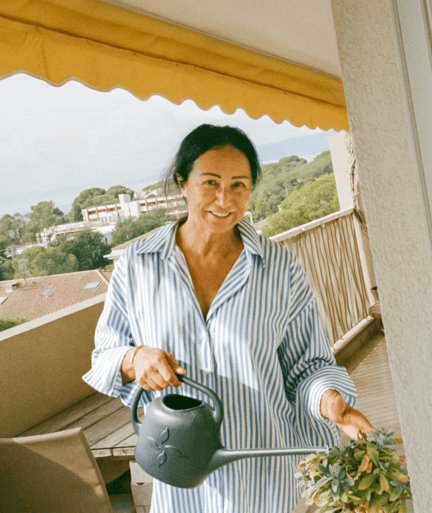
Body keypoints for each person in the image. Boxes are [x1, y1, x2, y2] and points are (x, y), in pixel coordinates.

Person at [83, 124, 373, 513]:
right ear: (182, 183)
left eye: (239, 184)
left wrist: (330, 400)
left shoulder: (280, 267)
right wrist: (133, 359)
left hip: (263, 475)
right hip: (180, 473)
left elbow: (309, 366)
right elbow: (104, 357)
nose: (225, 199)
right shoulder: (137, 265)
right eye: (210, 183)